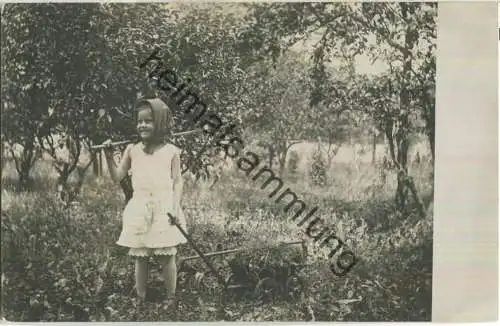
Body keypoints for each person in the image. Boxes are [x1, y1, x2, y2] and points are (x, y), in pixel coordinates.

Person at [103, 98, 187, 302]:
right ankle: (140, 297)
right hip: (140, 207)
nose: (142, 125)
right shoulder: (132, 150)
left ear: (160, 123)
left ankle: (170, 298)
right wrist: (108, 155)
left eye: (148, 121)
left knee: (167, 256)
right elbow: (117, 176)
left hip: (164, 208)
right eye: (139, 121)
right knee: (140, 256)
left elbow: (177, 182)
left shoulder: (171, 152)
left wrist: (175, 208)